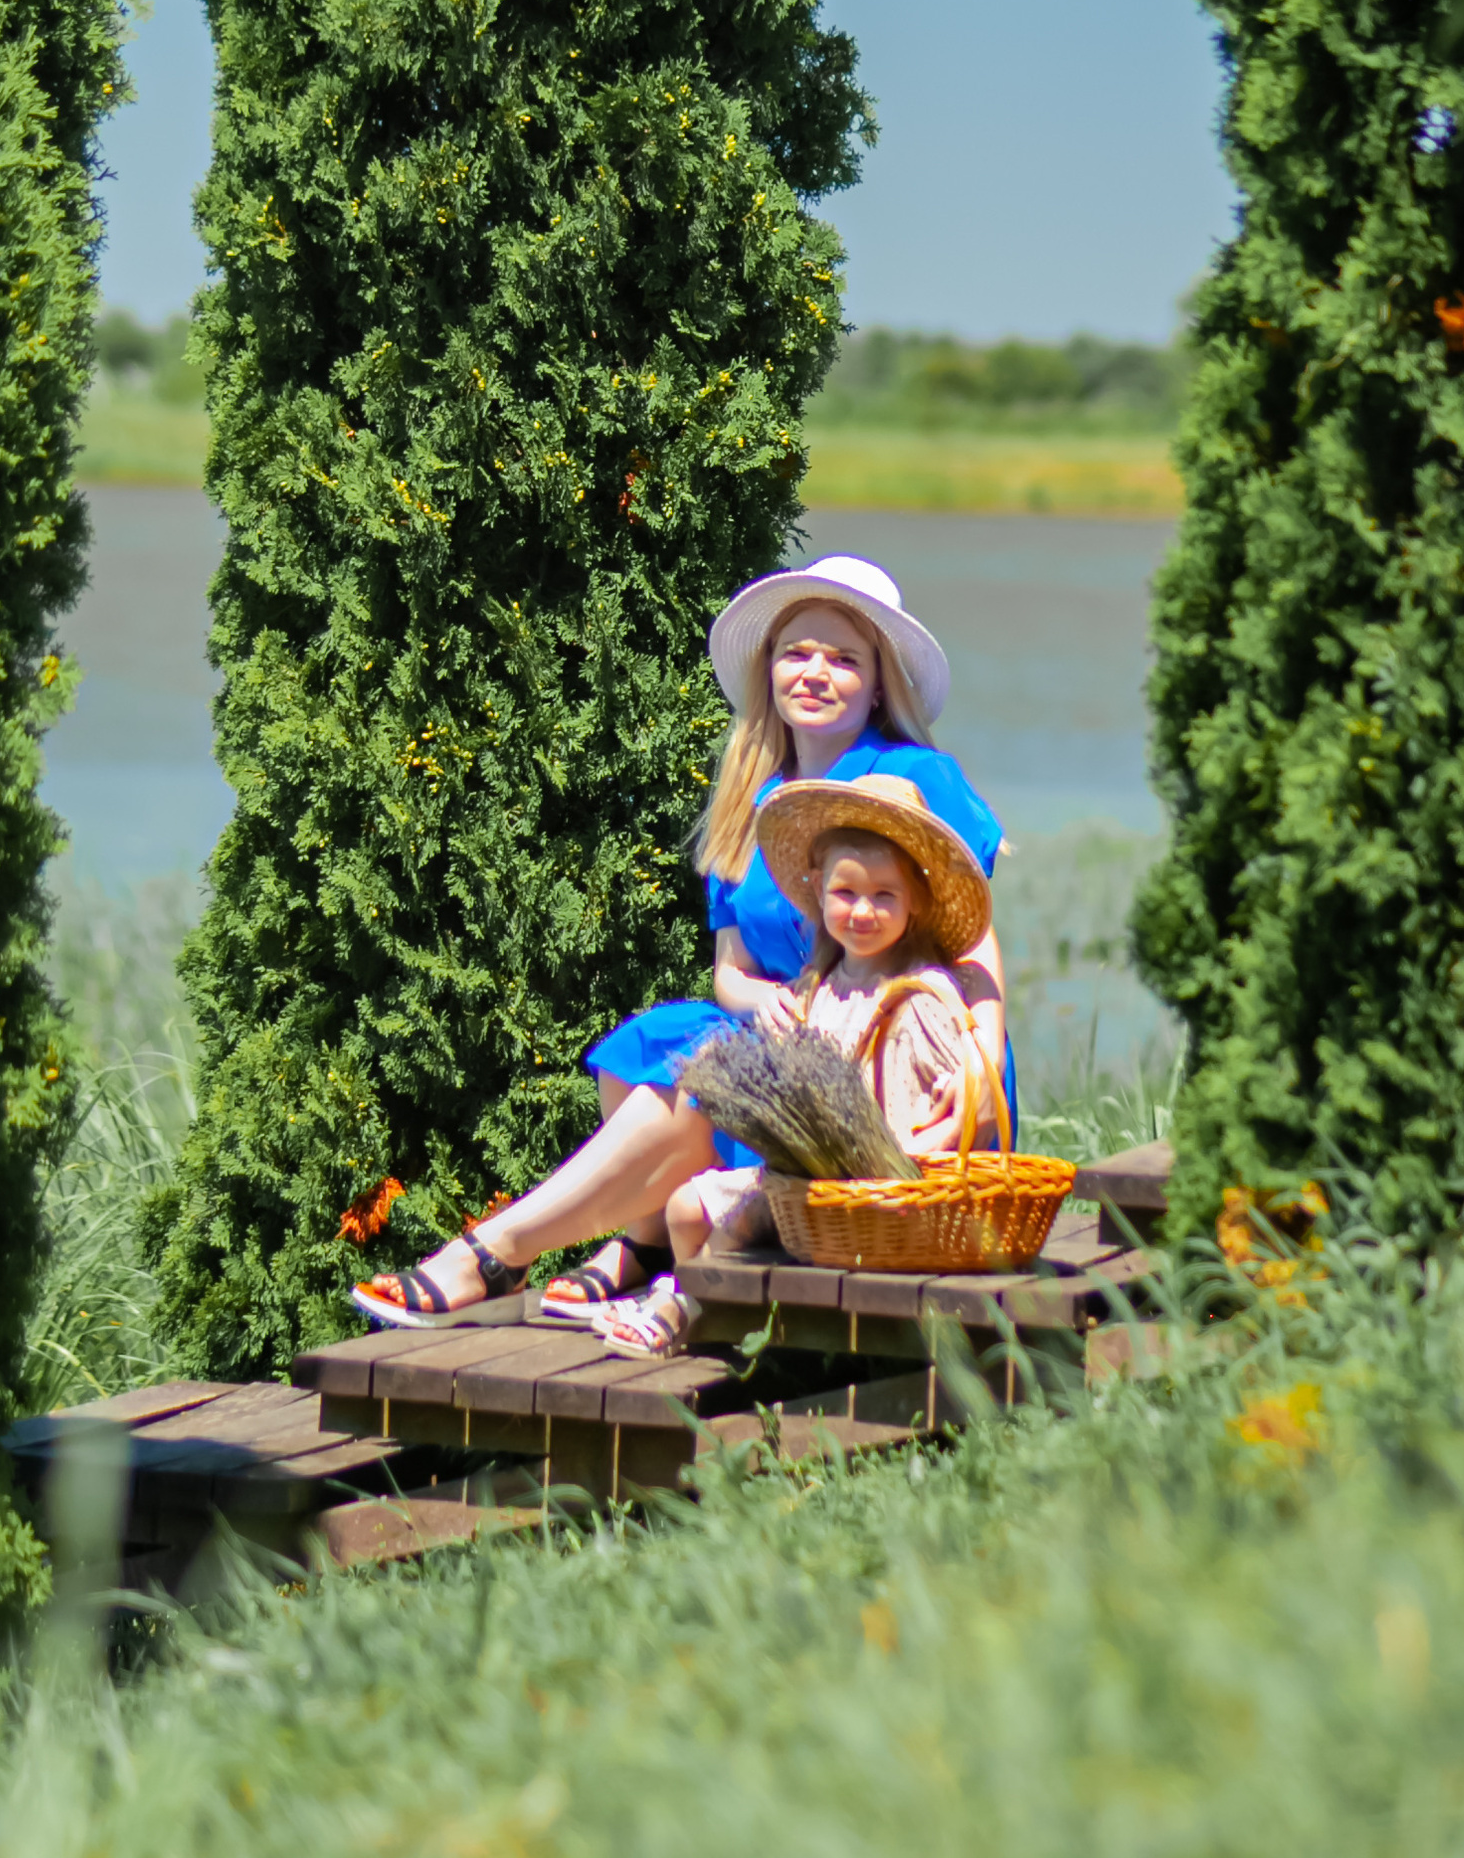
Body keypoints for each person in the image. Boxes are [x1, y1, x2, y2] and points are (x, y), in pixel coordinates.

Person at [347, 553, 1010, 1328]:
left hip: (903, 1058)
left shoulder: (915, 775)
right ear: (768, 670)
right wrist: (776, 1003)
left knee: (707, 1068)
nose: (816, 673)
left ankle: (493, 1253)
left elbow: (975, 940)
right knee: (652, 1041)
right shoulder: (751, 797)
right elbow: (732, 971)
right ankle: (645, 1242)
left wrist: (981, 1061)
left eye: (844, 658)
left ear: (878, 681)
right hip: (799, 1031)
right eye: (797, 653)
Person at [592, 771, 1003, 1359]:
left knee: (735, 1223)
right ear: (818, 890)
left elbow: (950, 1108)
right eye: (846, 893)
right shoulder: (820, 987)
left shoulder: (922, 994)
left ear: (915, 904)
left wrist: (915, 1149)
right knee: (685, 1208)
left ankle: (678, 1307)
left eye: (884, 895)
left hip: (870, 1189)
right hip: (807, 1175)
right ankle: (719, 1327)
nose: (863, 911)